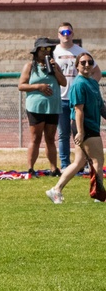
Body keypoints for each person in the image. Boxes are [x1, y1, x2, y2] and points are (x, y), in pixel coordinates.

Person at [46, 53, 105, 204]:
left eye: (89, 62)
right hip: (85, 126)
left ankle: (56, 189)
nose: (86, 65)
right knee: (98, 160)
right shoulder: (79, 84)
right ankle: (99, 195)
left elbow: (100, 106)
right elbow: (78, 110)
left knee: (79, 162)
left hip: (89, 126)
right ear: (77, 66)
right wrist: (80, 132)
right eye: (83, 62)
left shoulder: (92, 83)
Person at [53, 22, 102, 170]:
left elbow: (97, 72)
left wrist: (88, 86)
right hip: (61, 98)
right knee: (63, 134)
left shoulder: (81, 52)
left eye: (68, 32)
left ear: (73, 34)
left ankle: (84, 163)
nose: (65, 35)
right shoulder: (54, 52)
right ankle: (65, 164)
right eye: (62, 32)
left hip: (79, 99)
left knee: (82, 132)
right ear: (58, 35)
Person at [18, 38, 66, 176]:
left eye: (49, 49)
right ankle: (30, 169)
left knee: (50, 138)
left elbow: (63, 83)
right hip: (36, 108)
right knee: (36, 138)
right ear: (37, 51)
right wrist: (39, 87)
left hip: (53, 107)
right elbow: (21, 85)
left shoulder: (54, 65)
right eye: (43, 49)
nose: (46, 51)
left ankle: (53, 168)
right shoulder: (29, 66)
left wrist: (55, 70)